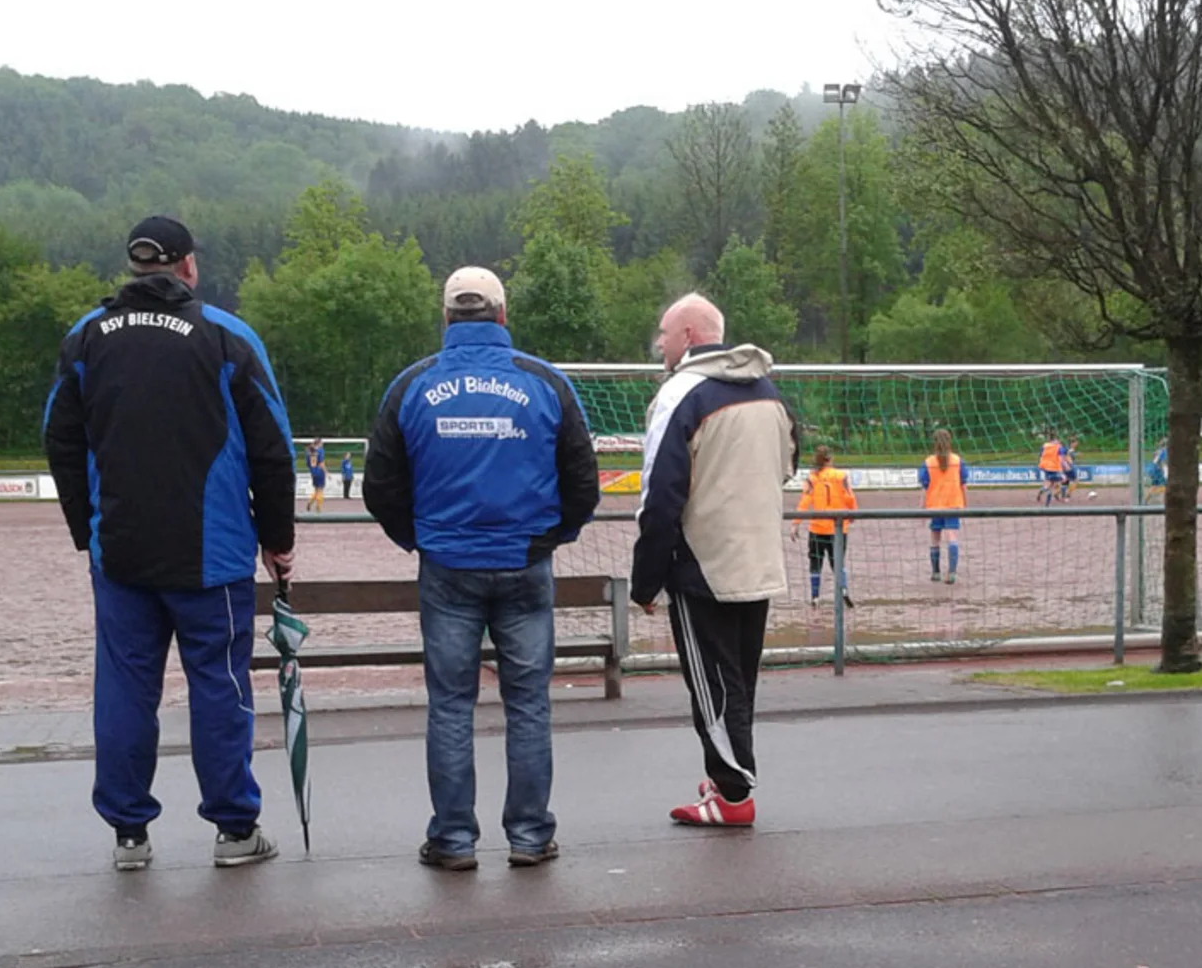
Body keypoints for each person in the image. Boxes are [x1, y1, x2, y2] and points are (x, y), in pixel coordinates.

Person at [42, 215, 296, 871]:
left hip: (121, 553)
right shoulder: (227, 334)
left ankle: (129, 834)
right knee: (219, 687)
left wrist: (86, 531)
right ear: (188, 267)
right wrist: (278, 540)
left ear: (135, 267)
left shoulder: (86, 336)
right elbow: (273, 449)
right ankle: (235, 830)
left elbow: (59, 439)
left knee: (125, 689)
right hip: (213, 558)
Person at [364, 266, 600, 870]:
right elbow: (583, 481)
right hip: (525, 562)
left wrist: (420, 539)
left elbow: (380, 485)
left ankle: (452, 839)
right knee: (529, 703)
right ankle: (530, 836)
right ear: (502, 314)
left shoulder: (412, 385)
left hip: (447, 565)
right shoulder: (544, 382)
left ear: (446, 317)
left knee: (450, 704)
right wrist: (549, 538)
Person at [632, 293, 797, 827]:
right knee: (739, 681)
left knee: (712, 687)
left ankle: (732, 795)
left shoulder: (679, 393)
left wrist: (645, 580)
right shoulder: (769, 391)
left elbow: (660, 496)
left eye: (663, 334)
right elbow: (788, 465)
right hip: (759, 558)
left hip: (702, 563)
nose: (659, 344)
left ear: (688, 336)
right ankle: (730, 777)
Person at [794, 444, 859, 609]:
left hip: (817, 527)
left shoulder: (812, 477)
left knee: (815, 563)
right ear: (830, 459)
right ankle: (843, 590)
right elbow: (849, 496)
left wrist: (796, 523)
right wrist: (853, 513)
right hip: (837, 527)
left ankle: (815, 596)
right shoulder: (841, 476)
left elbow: (804, 501)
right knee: (837, 563)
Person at [920, 429, 970, 583]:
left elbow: (925, 487)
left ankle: (936, 572)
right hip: (953, 504)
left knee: (935, 538)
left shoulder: (928, 462)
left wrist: (922, 508)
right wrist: (965, 503)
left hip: (935, 505)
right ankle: (952, 573)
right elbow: (963, 484)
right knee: (952, 537)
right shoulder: (957, 460)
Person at [1037, 431, 1064, 506]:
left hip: (1045, 467)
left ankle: (1041, 491)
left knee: (1049, 484)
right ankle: (1049, 502)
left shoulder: (1044, 446)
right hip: (1055, 468)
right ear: (1056, 439)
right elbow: (1061, 458)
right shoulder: (1059, 447)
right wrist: (1062, 469)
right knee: (1060, 482)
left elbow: (1041, 456)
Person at [306, 437, 327, 513]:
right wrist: (326, 472)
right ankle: (318, 507)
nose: (322, 444)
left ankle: (310, 502)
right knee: (320, 489)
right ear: (319, 443)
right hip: (320, 472)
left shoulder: (309, 452)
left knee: (316, 489)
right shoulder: (320, 451)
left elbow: (308, 464)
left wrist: (312, 470)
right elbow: (321, 463)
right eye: (322, 443)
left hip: (313, 472)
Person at [1060, 436, 1080, 501]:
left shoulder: (1066, 448)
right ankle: (1067, 495)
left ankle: (1063, 496)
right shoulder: (1070, 449)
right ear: (1072, 443)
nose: (1076, 444)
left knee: (1065, 481)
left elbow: (1064, 456)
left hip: (1064, 467)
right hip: (1069, 466)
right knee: (1076, 481)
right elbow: (1067, 456)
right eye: (1076, 443)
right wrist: (1070, 462)